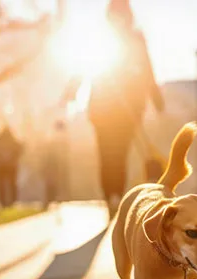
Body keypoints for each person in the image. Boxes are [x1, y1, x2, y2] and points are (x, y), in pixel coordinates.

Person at [61, 0, 164, 217]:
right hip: (103, 109)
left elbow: (147, 68)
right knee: (106, 153)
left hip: (126, 109)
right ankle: (111, 195)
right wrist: (70, 91)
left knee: (119, 153)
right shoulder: (99, 39)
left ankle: (115, 194)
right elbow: (84, 65)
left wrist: (155, 96)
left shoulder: (134, 39)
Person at [0, 126, 23, 208]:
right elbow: (20, 148)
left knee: (4, 185)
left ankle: (5, 201)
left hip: (4, 165)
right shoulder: (12, 139)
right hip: (9, 166)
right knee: (9, 184)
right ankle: (10, 201)